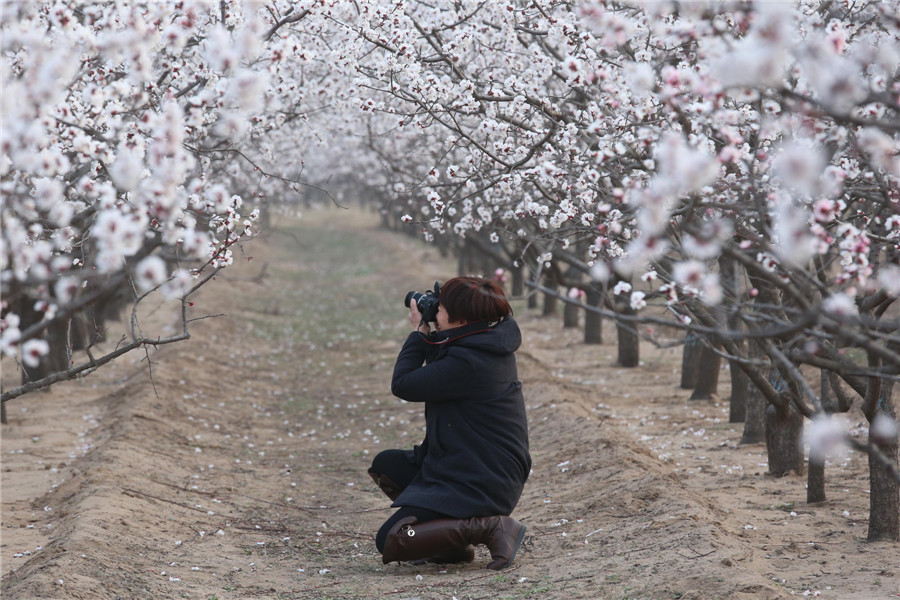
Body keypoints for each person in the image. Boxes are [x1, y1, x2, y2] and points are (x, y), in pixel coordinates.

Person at [368, 276, 531, 570]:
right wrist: (434, 332)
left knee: (394, 538)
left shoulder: (471, 362)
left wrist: (419, 333)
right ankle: (449, 544)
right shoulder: (481, 343)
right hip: (466, 467)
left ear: (462, 319)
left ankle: (489, 527)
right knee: (387, 465)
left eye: (441, 308)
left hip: (481, 482)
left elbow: (404, 384)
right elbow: (440, 365)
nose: (435, 312)